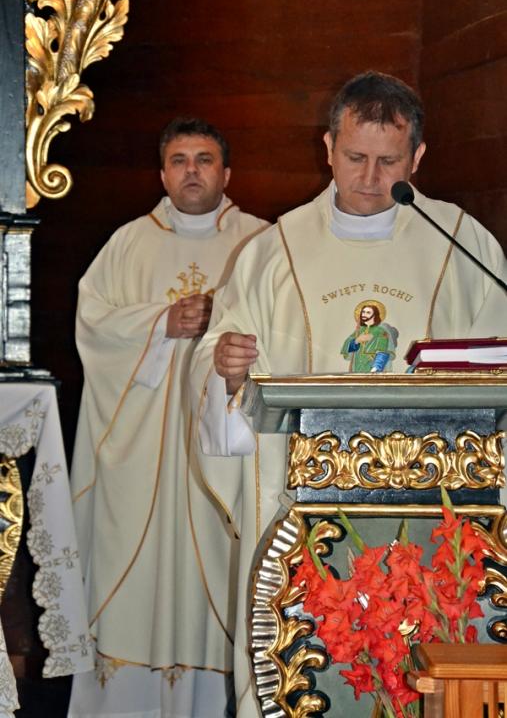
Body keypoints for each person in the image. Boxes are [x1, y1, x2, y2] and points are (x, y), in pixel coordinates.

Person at [189, 71, 507, 716]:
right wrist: (225, 369)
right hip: (304, 508)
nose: (368, 177)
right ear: (328, 148)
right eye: (355, 157)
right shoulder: (273, 252)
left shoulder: (462, 244)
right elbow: (218, 359)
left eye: (388, 161)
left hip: (435, 503)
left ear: (418, 157)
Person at [68, 117, 268, 718]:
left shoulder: (261, 244)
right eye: (179, 161)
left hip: (221, 459)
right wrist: (161, 324)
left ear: (226, 173)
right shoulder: (128, 243)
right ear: (162, 174)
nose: (191, 171)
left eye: (204, 159)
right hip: (143, 465)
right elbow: (92, 325)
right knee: (136, 575)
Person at [341, 300, 398, 372]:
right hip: (357, 365)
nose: (364, 314)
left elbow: (383, 351)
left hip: (372, 364)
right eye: (363, 312)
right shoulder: (360, 330)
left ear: (375, 315)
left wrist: (376, 367)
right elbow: (347, 347)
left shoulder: (380, 331)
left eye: (368, 312)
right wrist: (357, 340)